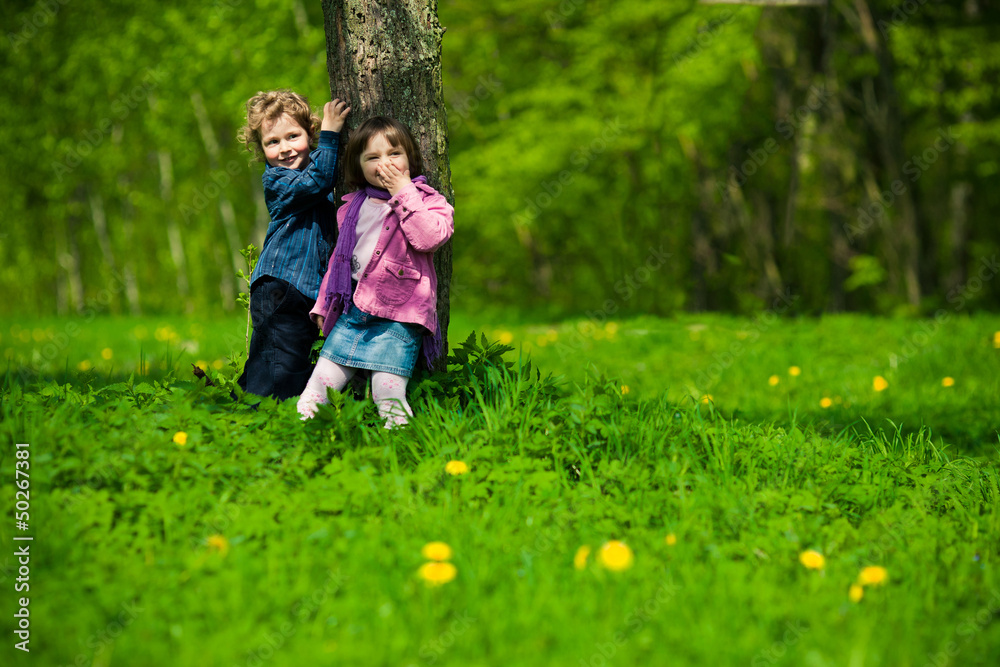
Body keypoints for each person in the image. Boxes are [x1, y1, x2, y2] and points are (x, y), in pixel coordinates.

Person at [297, 116, 454, 426]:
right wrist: (324, 304)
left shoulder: (428, 201)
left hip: (399, 319)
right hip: (354, 315)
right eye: (373, 157)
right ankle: (299, 438)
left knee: (388, 396)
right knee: (316, 389)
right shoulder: (352, 207)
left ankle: (401, 449)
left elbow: (428, 238)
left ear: (411, 157)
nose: (385, 163)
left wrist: (403, 192)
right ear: (359, 166)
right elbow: (339, 260)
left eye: (394, 154)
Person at [235, 90, 350, 400]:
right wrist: (330, 135)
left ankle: (241, 410)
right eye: (273, 142)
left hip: (301, 291)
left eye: (292, 136)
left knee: (278, 361)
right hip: (280, 288)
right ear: (260, 149)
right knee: (279, 366)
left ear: (307, 133)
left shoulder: (319, 171)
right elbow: (317, 182)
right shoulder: (277, 181)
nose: (284, 148)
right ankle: (259, 421)